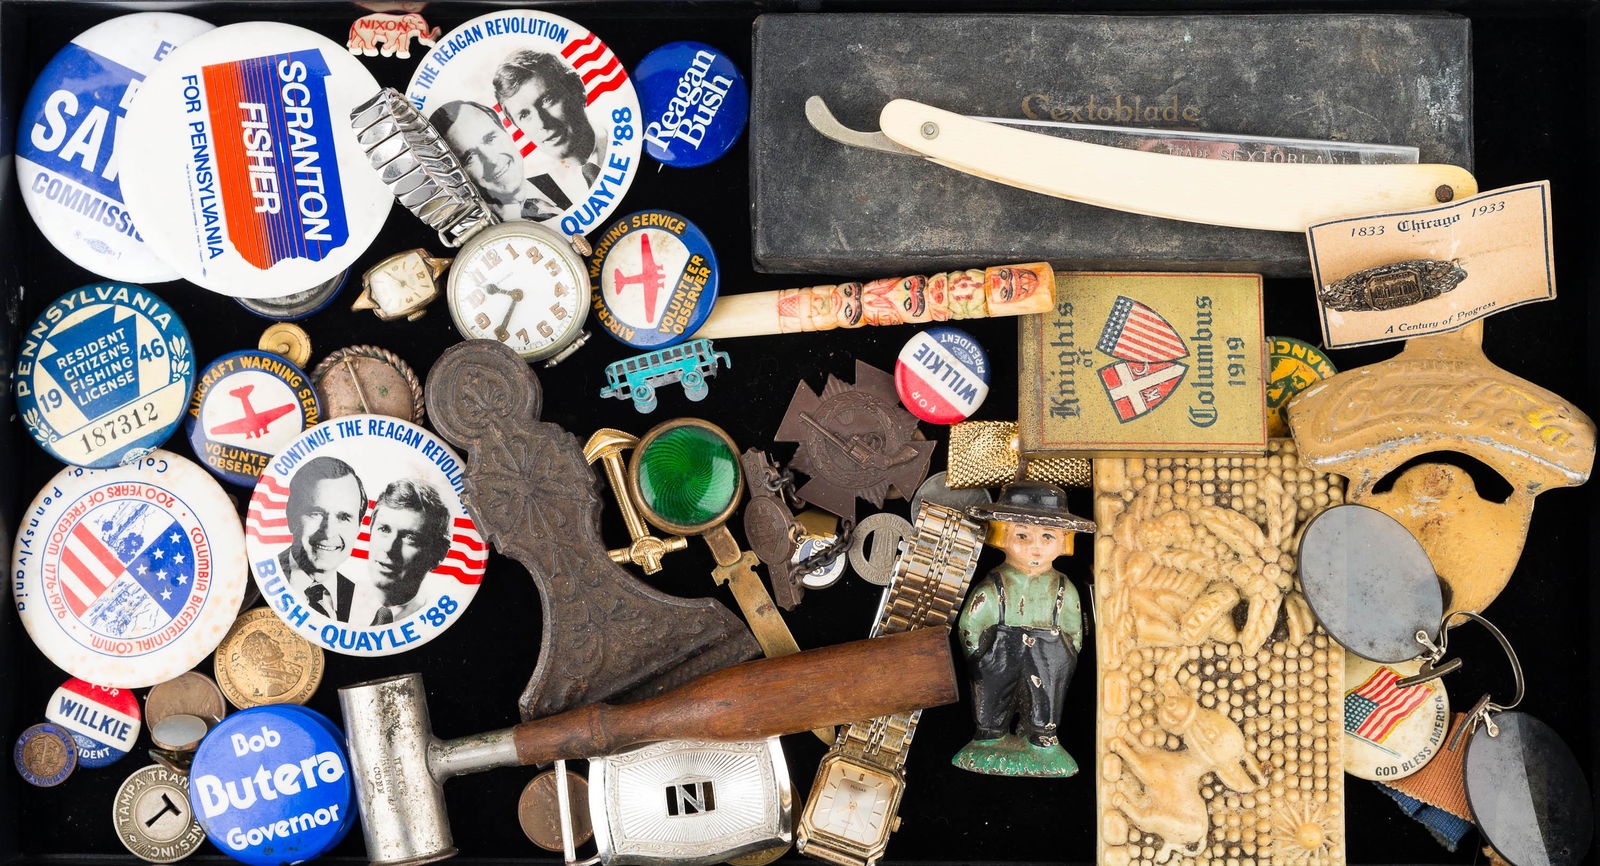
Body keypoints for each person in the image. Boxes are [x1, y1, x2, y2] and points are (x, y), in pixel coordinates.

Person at [953, 481, 1097, 778]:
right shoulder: (994, 584)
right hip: (1000, 649)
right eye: (1022, 534)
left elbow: (1073, 627)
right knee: (993, 697)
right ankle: (989, 734)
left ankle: (1043, 739)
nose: (1035, 546)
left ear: (1063, 542)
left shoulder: (1063, 588)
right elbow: (971, 622)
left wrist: (1065, 654)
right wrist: (981, 655)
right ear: (1002, 536)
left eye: (1047, 536)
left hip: (1050, 652)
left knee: (1046, 699)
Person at [492, 50, 606, 203]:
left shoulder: (628, 139)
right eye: (524, 115)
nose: (541, 123)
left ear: (577, 90)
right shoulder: (539, 197)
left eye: (547, 100)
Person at [430, 99, 564, 221]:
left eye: (490, 139)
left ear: (505, 131)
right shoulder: (478, 228)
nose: (492, 160)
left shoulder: (570, 182)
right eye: (469, 157)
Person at [279, 456, 366, 623]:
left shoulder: (363, 602)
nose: (328, 532)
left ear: (358, 527)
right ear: (291, 516)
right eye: (316, 513)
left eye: (344, 517)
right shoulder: (270, 576)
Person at [364, 479, 453, 626]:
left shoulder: (436, 621)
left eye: (410, 538)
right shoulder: (328, 599)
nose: (389, 548)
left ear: (438, 555)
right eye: (384, 529)